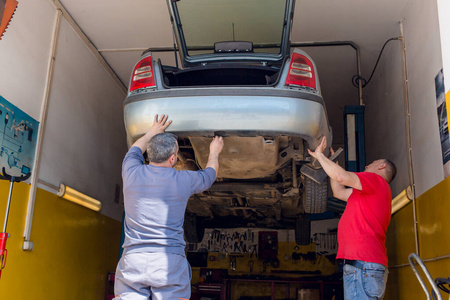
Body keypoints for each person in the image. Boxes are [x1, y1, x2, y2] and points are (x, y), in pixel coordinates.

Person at [114, 114, 224, 300]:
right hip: (168, 263)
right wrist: (214, 152)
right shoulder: (183, 180)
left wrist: (152, 131)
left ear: (149, 154)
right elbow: (209, 175)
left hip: (133, 262)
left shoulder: (131, 171)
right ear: (173, 158)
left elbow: (134, 149)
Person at [308, 136, 396, 300]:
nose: (366, 165)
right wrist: (333, 162)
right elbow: (339, 192)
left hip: (363, 266)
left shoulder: (376, 180)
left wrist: (320, 155)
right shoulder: (371, 193)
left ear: (381, 166)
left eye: (372, 162)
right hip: (363, 266)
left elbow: (342, 177)